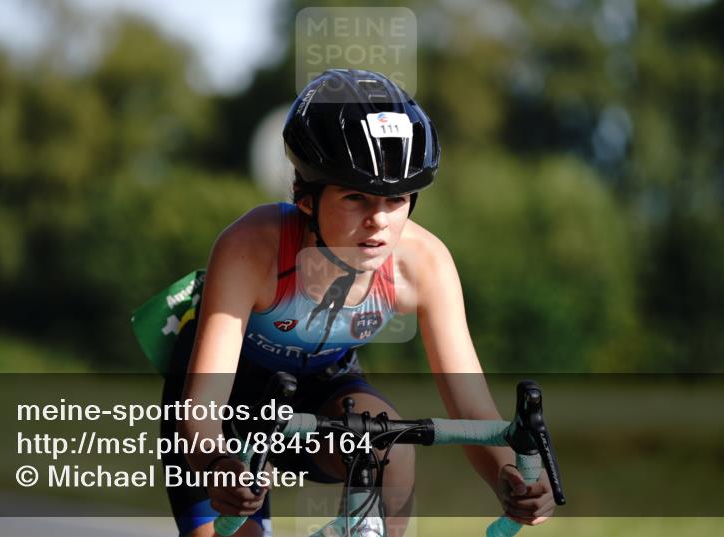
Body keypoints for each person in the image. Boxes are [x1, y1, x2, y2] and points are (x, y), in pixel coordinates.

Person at [160, 68, 556, 537]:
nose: (379, 221)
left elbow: (472, 407)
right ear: (304, 197)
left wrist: (512, 478)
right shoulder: (251, 247)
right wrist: (216, 466)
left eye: (397, 199)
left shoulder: (423, 264)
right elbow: (201, 407)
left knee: (389, 445)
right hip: (228, 405)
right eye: (355, 197)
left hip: (325, 384)